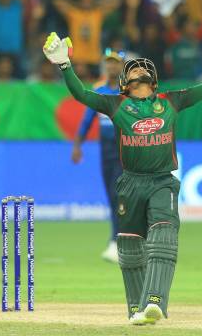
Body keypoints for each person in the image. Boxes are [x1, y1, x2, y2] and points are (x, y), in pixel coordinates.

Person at [44, 31, 202, 325]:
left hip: (162, 182)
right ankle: (136, 309)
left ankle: (155, 301)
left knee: (163, 237)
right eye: (133, 68)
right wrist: (64, 66)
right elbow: (82, 95)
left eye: (143, 68)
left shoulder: (171, 101)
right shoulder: (115, 104)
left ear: (154, 79)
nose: (140, 69)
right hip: (130, 182)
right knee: (130, 248)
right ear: (124, 82)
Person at [72, 51, 126, 263]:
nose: (112, 67)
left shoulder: (129, 91)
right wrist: (78, 145)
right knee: (112, 196)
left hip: (126, 149)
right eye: (108, 63)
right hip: (106, 150)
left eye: (116, 63)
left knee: (122, 196)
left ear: (122, 66)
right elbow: (87, 120)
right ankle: (116, 241)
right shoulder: (99, 90)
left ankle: (119, 241)